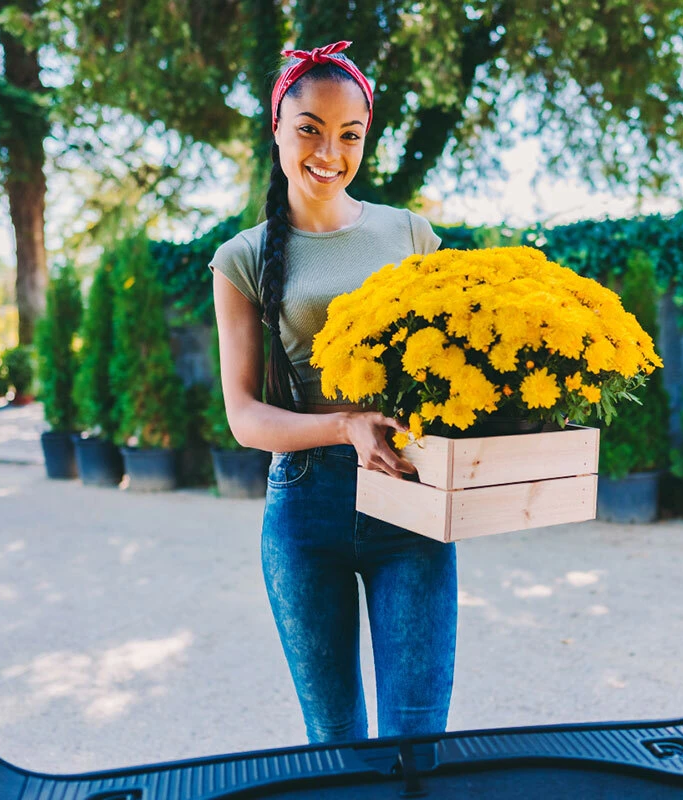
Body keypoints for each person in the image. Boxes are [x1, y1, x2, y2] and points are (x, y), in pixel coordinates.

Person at [208, 41, 456, 745]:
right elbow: (245, 417)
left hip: (408, 500)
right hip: (305, 510)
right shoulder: (242, 258)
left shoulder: (408, 232)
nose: (329, 151)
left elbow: (453, 365)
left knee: (418, 742)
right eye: (310, 128)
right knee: (336, 743)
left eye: (350, 135)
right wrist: (346, 425)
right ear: (277, 130)